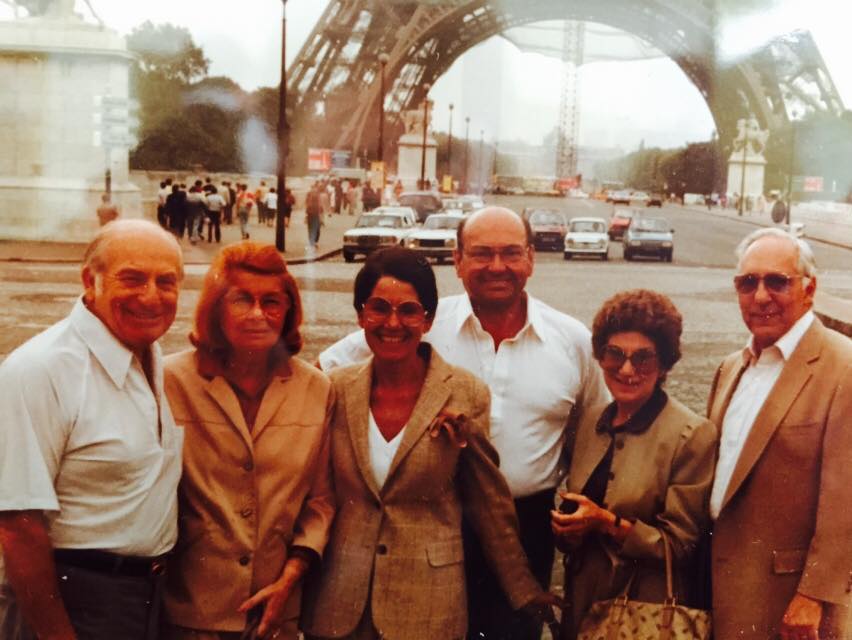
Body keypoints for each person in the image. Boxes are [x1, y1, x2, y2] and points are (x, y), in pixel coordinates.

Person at [319, 207, 609, 640]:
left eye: (511, 253)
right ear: (457, 261)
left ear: (531, 259)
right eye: (482, 253)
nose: (497, 266)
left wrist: (579, 509)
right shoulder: (420, 319)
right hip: (428, 520)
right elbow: (325, 374)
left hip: (524, 524)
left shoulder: (572, 341)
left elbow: (596, 431)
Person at [0, 220, 184, 640]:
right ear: (90, 280)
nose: (151, 296)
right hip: (72, 599)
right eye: (132, 278)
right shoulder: (42, 369)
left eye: (166, 281)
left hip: (145, 598)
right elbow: (18, 524)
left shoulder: (148, 353)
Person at [161, 242, 335, 640]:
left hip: (276, 614)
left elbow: (321, 503)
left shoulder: (315, 388)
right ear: (216, 308)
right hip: (190, 614)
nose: (258, 314)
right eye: (242, 300)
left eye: (271, 302)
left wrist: (290, 579)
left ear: (289, 310)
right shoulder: (171, 381)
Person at [707, 228, 852, 639]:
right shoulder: (731, 368)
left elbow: (846, 500)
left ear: (810, 289)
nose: (760, 296)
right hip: (722, 592)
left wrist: (814, 595)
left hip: (793, 606)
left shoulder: (843, 367)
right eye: (747, 283)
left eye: (777, 281)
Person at [550, 289, 718, 638]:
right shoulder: (589, 421)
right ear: (600, 357)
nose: (627, 369)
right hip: (582, 603)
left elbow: (682, 546)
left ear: (664, 364)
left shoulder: (690, 435)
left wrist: (606, 523)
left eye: (643, 358)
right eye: (615, 354)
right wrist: (569, 530)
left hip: (644, 616)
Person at [305, 184, 323, 251]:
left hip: (313, 215)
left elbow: (307, 207)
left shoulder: (315, 200)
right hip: (313, 215)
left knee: (312, 229)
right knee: (315, 229)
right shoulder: (314, 199)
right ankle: (313, 242)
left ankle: (313, 241)